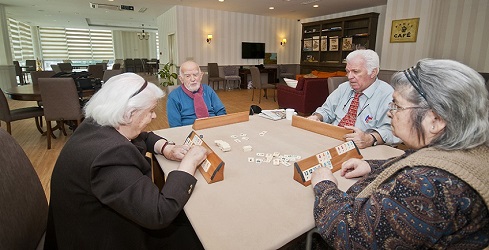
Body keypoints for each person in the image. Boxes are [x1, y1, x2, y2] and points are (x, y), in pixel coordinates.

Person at [311, 59, 489, 248]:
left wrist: (325, 186)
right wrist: (372, 165)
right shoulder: (470, 150)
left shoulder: (429, 185)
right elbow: (417, 159)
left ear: (435, 120)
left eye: (397, 106)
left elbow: (352, 237)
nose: (390, 113)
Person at [45, 73, 208, 249]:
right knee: (199, 234)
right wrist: (189, 163)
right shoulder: (109, 157)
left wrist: (166, 148)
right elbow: (159, 213)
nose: (154, 116)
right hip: (104, 237)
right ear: (129, 114)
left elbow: (141, 137)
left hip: (90, 223)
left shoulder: (97, 124)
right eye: (150, 111)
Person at [307, 49, 399, 148]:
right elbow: (326, 110)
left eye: (355, 71)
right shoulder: (344, 87)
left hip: (364, 147)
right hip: (331, 139)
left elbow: (392, 130)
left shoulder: (388, 95)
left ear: (373, 72)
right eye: (347, 71)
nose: (349, 77)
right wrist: (317, 117)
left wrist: (369, 139)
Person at [167, 60, 226, 127]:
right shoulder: (174, 97)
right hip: (189, 131)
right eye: (187, 76)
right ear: (181, 79)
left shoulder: (208, 90)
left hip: (213, 127)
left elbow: (221, 111)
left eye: (195, 75)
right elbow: (175, 126)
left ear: (201, 76)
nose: (192, 79)